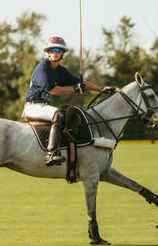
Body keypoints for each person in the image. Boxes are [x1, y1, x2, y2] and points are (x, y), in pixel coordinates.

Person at [23, 36, 104, 166]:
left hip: (43, 107)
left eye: (58, 50)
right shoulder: (43, 68)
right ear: (48, 52)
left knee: (68, 115)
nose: (55, 53)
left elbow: (81, 82)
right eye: (52, 50)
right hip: (33, 107)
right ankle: (51, 153)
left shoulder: (61, 71)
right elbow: (54, 90)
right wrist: (74, 89)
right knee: (60, 114)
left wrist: (101, 89)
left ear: (63, 53)